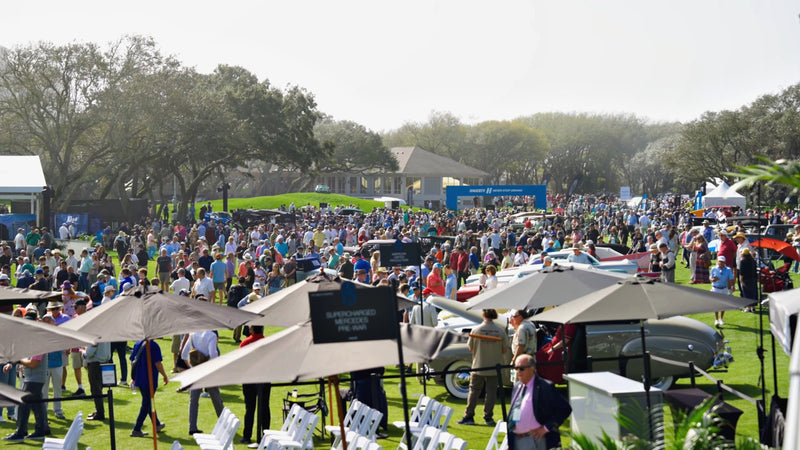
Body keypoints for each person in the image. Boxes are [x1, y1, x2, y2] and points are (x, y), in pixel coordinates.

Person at [507, 354, 572, 450]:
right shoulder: (517, 387)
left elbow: (565, 409)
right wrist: (511, 443)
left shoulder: (545, 386)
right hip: (517, 441)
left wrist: (546, 428)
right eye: (516, 368)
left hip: (537, 440)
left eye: (521, 368)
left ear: (532, 368)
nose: (518, 372)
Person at [3, 311, 48, 442]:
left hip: (35, 378)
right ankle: (41, 431)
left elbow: (33, 363)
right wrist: (12, 364)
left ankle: (20, 433)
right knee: (37, 405)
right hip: (32, 378)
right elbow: (23, 356)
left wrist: (20, 361)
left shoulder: (38, 341)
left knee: (23, 403)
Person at [458, 309, 508, 426]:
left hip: (478, 365)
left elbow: (470, 348)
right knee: (491, 392)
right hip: (494, 366)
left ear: (483, 314)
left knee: (474, 391)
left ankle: (469, 416)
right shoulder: (500, 331)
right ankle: (488, 417)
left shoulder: (476, 329)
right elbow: (504, 349)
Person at [182, 329, 225, 435]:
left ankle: (192, 427)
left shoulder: (192, 334)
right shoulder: (211, 335)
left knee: (194, 400)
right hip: (208, 372)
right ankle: (224, 424)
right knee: (216, 399)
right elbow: (213, 354)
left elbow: (183, 354)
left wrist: (191, 366)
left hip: (195, 372)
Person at [129, 339, 169, 438]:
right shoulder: (153, 346)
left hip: (140, 378)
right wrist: (165, 375)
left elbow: (132, 361)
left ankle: (157, 424)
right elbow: (158, 364)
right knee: (146, 404)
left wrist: (133, 378)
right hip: (149, 379)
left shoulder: (138, 343)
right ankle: (136, 429)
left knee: (148, 402)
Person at [238, 325, 270, 444]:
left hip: (249, 378)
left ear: (251, 329)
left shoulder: (246, 342)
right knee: (265, 407)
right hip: (264, 377)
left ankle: (247, 436)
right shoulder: (267, 342)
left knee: (250, 408)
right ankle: (266, 434)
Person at [82, 322, 111, 421]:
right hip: (104, 362)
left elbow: (89, 353)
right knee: (99, 388)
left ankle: (100, 413)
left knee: (95, 389)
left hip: (95, 364)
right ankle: (98, 410)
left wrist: (82, 352)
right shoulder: (105, 332)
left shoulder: (95, 335)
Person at [710, 255, 735, 327]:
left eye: (722, 262)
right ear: (717, 262)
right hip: (715, 288)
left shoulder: (728, 270)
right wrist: (713, 279)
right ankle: (716, 319)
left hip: (724, 288)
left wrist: (732, 287)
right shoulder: (713, 269)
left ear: (724, 262)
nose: (720, 263)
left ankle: (721, 318)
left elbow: (731, 279)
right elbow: (710, 278)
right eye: (719, 262)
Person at [738, 248, 758, 312]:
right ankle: (753, 307)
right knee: (753, 293)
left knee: (746, 293)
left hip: (745, 279)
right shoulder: (753, 261)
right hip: (753, 279)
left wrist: (741, 280)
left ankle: (748, 308)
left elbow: (741, 272)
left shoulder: (742, 261)